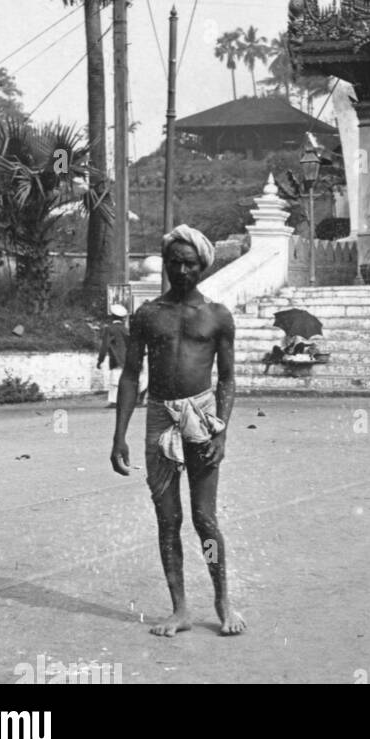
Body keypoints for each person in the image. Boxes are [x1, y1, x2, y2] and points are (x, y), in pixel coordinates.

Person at [110, 224, 246, 637]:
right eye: (175, 263)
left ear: (203, 266)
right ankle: (180, 608)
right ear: (166, 264)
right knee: (167, 519)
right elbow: (131, 375)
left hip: (202, 416)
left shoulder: (217, 316)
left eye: (190, 264)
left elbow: (226, 379)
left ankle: (222, 600)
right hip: (159, 417)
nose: (182, 271)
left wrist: (221, 431)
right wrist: (119, 435)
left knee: (204, 518)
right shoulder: (148, 315)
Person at [97, 303, 129, 407]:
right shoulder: (125, 329)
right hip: (126, 359)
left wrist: (100, 360)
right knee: (124, 381)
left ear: (112, 316)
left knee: (114, 381)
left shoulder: (110, 329)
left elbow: (105, 346)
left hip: (116, 359)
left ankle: (114, 401)